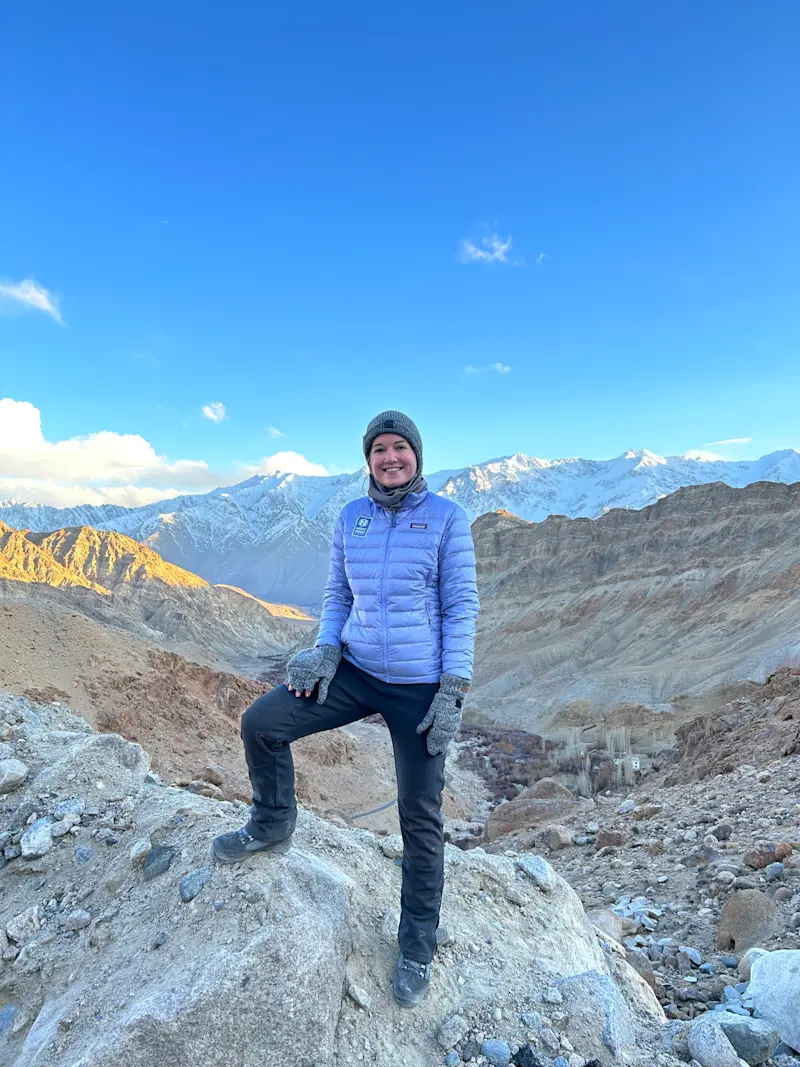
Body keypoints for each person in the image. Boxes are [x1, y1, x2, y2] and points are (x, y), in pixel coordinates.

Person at [212, 410, 479, 1007]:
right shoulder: (350, 518)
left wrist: (453, 688)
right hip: (355, 671)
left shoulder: (446, 519)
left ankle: (416, 945)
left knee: (419, 813)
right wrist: (324, 647)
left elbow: (462, 607)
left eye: (400, 448)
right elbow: (338, 594)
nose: (390, 458)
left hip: (418, 686)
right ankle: (273, 822)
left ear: (417, 455)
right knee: (262, 723)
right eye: (380, 449)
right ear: (368, 459)